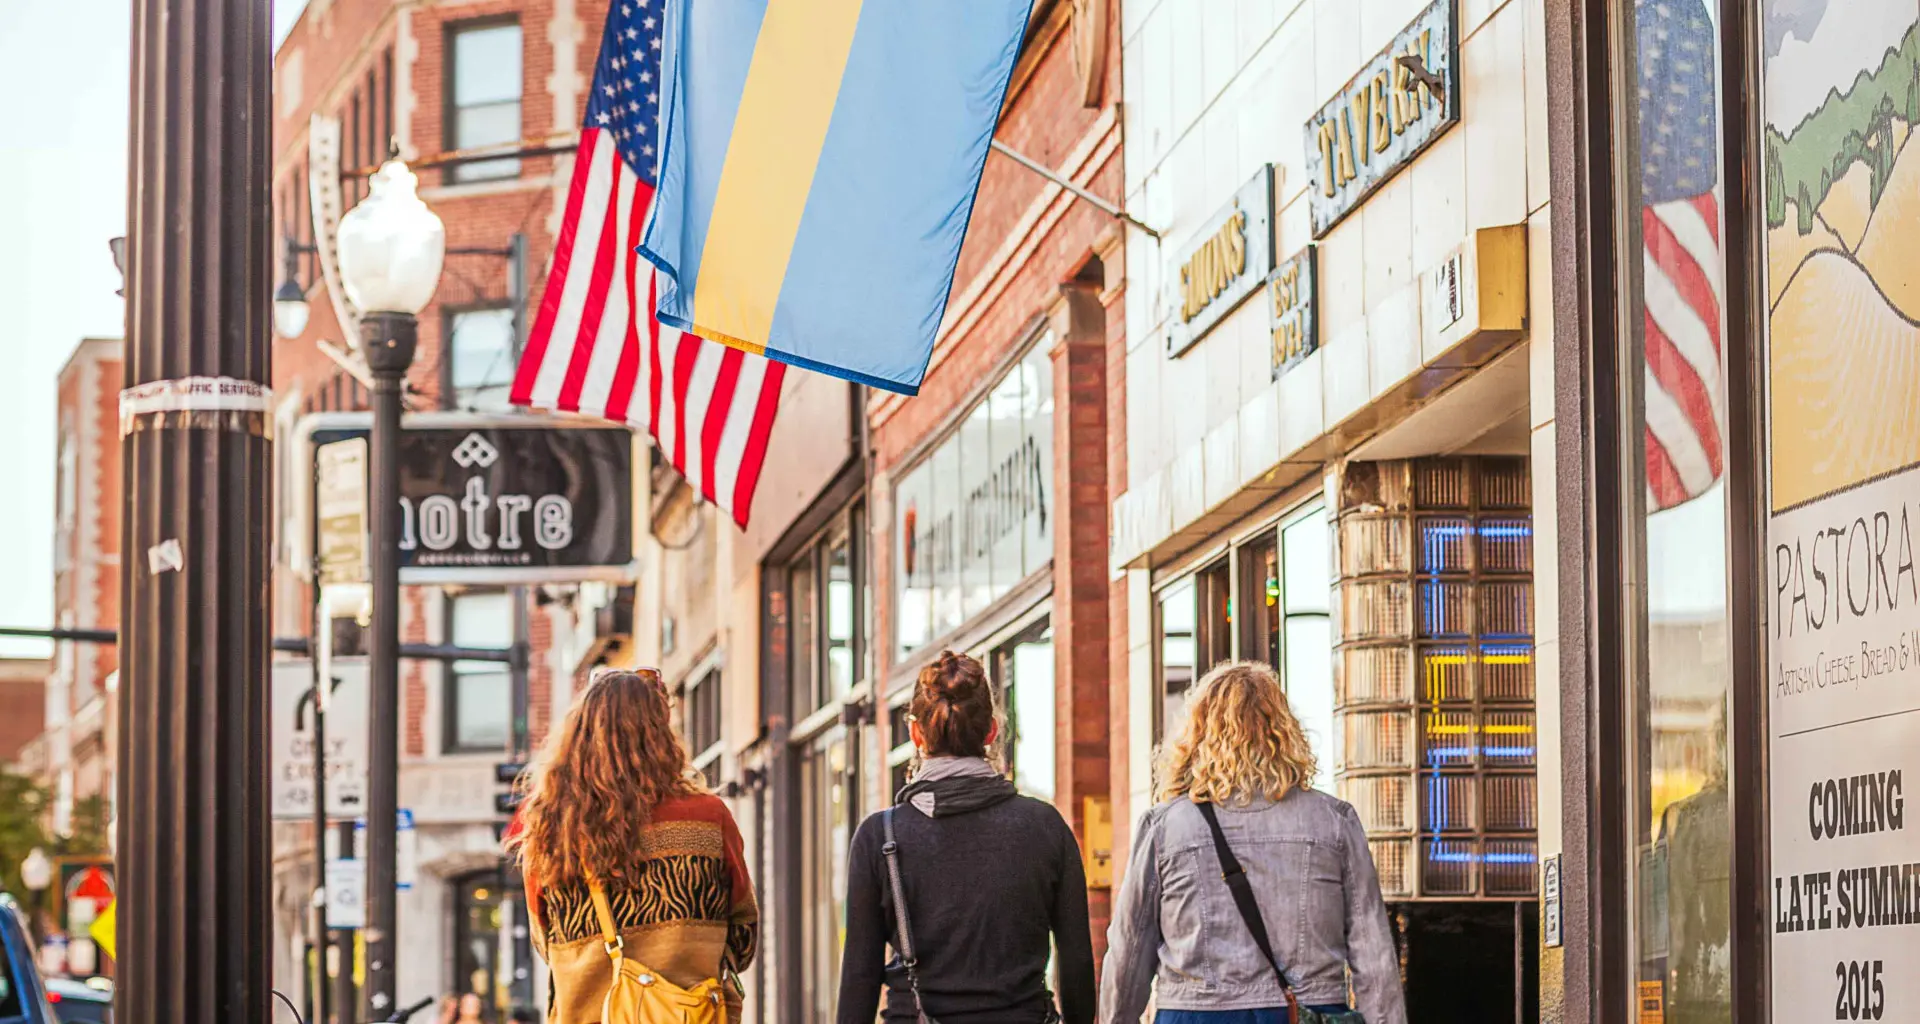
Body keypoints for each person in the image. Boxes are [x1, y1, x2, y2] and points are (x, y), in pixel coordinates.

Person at [1099, 661, 1407, 1024]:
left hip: (1196, 1015)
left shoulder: (1167, 827)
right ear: (1284, 731)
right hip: (1307, 1012)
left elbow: (1129, 953)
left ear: (1197, 734)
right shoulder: (1333, 821)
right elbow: (1373, 953)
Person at [837, 650, 1096, 1024]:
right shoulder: (1045, 826)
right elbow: (1077, 963)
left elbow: (859, 978)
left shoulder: (879, 837)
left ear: (915, 734)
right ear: (990, 731)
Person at [506, 669, 758, 1024]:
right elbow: (743, 934)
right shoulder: (708, 817)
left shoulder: (551, 828)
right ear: (660, 732)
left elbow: (543, 940)